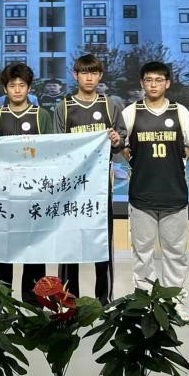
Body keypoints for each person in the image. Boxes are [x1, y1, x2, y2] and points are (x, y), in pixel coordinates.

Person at [122, 62, 189, 305]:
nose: (153, 85)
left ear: (167, 83)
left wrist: (177, 161)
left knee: (175, 253)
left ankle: (174, 303)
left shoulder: (180, 112)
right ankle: (145, 303)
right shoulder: (131, 112)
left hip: (174, 195)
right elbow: (122, 145)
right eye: (148, 80)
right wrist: (135, 160)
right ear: (142, 83)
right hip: (141, 195)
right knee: (142, 254)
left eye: (158, 80)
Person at [55, 54, 126, 304]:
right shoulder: (64, 106)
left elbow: (121, 140)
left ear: (100, 76)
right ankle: (68, 300)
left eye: (94, 73)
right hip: (72, 189)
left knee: (102, 243)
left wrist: (117, 140)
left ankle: (103, 300)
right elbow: (57, 146)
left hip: (101, 187)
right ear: (75, 75)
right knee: (69, 244)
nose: (89, 78)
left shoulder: (110, 105)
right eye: (84, 73)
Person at [0, 62, 53, 305]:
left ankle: (34, 306)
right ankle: (0, 304)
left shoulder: (41, 115)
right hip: (4, 195)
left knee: (34, 252)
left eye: (22, 85)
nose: (17, 90)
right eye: (12, 86)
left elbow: (52, 153)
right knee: (3, 252)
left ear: (29, 88)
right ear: (5, 89)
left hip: (34, 195)